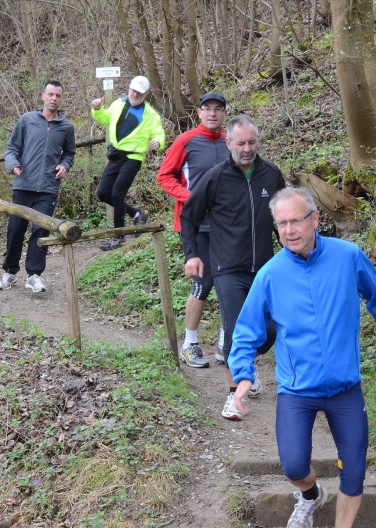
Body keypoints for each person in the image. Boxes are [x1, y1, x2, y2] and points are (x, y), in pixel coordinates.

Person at [229, 186, 376, 528]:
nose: (289, 230)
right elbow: (246, 332)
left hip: (346, 387)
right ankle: (310, 495)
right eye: (282, 223)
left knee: (355, 471)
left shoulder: (347, 257)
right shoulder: (271, 274)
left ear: (315, 219)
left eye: (296, 220)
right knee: (294, 464)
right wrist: (243, 375)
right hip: (297, 390)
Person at [180, 114, 285, 418]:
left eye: (252, 142)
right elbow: (189, 217)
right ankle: (233, 396)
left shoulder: (271, 175)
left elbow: (283, 218)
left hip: (265, 268)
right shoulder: (215, 177)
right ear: (229, 143)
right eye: (241, 143)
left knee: (270, 329)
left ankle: (247, 365)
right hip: (227, 268)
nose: (247, 148)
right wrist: (192, 254)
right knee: (236, 330)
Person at [157, 92, 229, 368]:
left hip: (225, 226)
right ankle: (190, 343)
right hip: (194, 225)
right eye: (207, 109)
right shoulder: (185, 141)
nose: (212, 113)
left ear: (224, 114)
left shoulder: (229, 142)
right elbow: (164, 177)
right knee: (203, 281)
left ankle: (225, 341)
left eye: (218, 109)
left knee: (228, 281)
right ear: (198, 113)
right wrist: (191, 198)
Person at [1, 80, 76, 293]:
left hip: (48, 188)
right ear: (43, 96)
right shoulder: (27, 120)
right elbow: (11, 148)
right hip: (23, 185)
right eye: (50, 94)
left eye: (58, 96)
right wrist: (13, 166)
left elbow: (70, 153)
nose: (54, 99)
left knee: (41, 230)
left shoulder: (67, 127)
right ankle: (10, 271)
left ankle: (34, 275)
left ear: (61, 98)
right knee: (16, 230)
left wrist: (65, 165)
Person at [91, 75, 165, 251]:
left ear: (145, 94)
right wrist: (97, 109)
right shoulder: (119, 104)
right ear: (128, 88)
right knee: (103, 193)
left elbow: (160, 134)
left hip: (133, 157)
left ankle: (119, 237)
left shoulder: (150, 114)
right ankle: (136, 213)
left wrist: (158, 142)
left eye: (139, 92)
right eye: (132, 90)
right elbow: (104, 119)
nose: (134, 94)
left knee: (117, 194)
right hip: (116, 155)